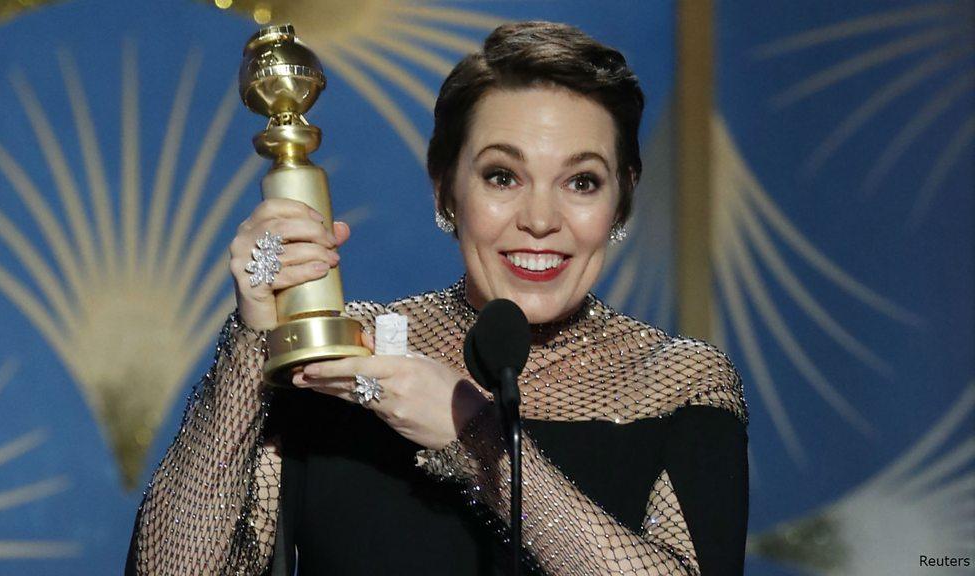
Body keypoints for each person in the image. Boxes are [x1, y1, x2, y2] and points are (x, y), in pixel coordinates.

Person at [127, 21, 748, 576]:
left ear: (623, 198)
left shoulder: (678, 381)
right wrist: (252, 337)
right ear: (446, 189)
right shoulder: (346, 357)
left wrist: (474, 436)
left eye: (581, 182)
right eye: (502, 176)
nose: (540, 219)